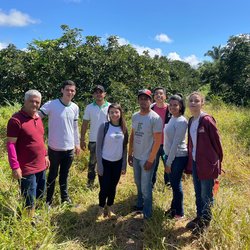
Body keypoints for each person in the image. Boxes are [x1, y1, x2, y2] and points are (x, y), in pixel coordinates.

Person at [6, 90, 50, 217]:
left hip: (40, 165)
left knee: (40, 194)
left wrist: (46, 155)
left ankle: (36, 217)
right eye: (32, 101)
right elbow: (11, 145)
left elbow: (41, 139)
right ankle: (27, 223)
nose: (35, 104)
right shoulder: (15, 120)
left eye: (37, 102)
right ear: (25, 101)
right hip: (26, 168)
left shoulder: (38, 118)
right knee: (29, 198)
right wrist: (15, 166)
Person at [185, 91, 223, 235]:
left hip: (207, 164)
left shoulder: (207, 120)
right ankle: (199, 217)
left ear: (202, 103)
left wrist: (217, 162)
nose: (193, 103)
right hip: (195, 162)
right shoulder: (191, 120)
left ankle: (205, 224)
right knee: (198, 192)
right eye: (191, 101)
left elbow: (217, 143)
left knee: (206, 194)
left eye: (196, 101)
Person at [39, 80, 80, 206]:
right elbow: (37, 116)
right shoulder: (51, 104)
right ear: (62, 90)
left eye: (72, 90)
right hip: (54, 148)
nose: (70, 92)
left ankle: (65, 200)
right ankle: (48, 201)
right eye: (67, 89)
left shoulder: (75, 107)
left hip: (69, 149)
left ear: (75, 92)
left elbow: (75, 126)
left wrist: (77, 143)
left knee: (64, 175)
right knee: (52, 175)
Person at [128, 89, 162, 219]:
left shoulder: (155, 118)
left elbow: (158, 141)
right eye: (141, 98)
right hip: (136, 156)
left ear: (151, 101)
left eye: (146, 98)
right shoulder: (135, 116)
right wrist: (130, 153)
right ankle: (139, 205)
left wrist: (150, 159)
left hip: (147, 158)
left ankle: (147, 213)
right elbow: (132, 135)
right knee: (138, 182)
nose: (143, 101)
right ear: (138, 100)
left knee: (146, 186)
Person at [95, 103, 128, 220]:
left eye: (116, 112)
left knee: (113, 187)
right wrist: (99, 165)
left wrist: (124, 165)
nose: (114, 114)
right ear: (108, 114)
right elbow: (98, 148)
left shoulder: (124, 128)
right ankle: (100, 208)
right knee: (104, 187)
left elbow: (124, 148)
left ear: (120, 113)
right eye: (111, 112)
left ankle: (110, 207)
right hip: (105, 162)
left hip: (117, 163)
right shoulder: (104, 126)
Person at [163, 94, 188, 219]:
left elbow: (175, 144)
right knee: (173, 184)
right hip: (170, 155)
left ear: (181, 106)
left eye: (175, 105)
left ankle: (179, 213)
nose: (172, 107)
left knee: (176, 184)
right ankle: (174, 209)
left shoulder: (182, 121)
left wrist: (168, 162)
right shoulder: (172, 118)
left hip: (178, 156)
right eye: (171, 105)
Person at [80, 85, 110, 188]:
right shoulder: (89, 107)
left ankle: (105, 182)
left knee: (107, 162)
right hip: (93, 140)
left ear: (104, 94)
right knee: (92, 162)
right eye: (96, 92)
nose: (98, 94)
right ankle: (90, 183)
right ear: (93, 95)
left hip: (107, 140)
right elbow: (84, 124)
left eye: (100, 92)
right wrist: (82, 139)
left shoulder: (110, 107)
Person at [151, 87, 171, 188]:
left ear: (165, 96)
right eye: (156, 94)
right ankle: (151, 185)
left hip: (167, 144)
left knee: (168, 165)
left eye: (161, 94)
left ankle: (168, 186)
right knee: (153, 166)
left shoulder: (170, 109)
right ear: (153, 97)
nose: (159, 95)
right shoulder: (151, 108)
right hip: (154, 143)